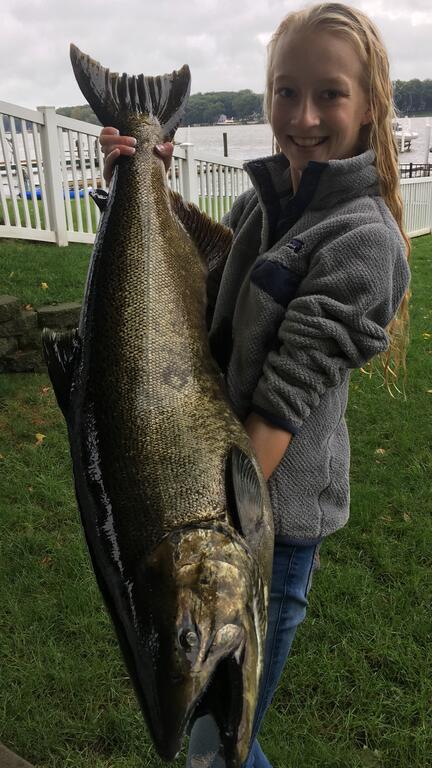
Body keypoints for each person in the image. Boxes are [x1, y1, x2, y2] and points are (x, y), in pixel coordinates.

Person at [99, 3, 411, 766]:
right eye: (285, 92)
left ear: (371, 104)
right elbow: (201, 279)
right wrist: (138, 180)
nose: (303, 117)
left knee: (216, 745)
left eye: (330, 94)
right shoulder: (263, 204)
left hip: (271, 527)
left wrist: (218, 530)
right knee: (215, 736)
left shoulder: (364, 240)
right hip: (221, 508)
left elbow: (282, 401)